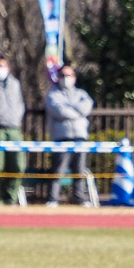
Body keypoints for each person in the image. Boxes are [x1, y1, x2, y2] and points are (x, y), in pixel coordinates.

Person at [45, 64, 94, 207]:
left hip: (80, 136)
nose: (66, 79)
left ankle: (79, 198)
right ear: (58, 78)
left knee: (79, 169)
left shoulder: (81, 94)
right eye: (62, 76)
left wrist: (72, 110)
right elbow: (58, 110)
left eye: (69, 75)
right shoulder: (52, 94)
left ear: (74, 78)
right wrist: (76, 113)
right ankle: (53, 198)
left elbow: (86, 106)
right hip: (61, 136)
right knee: (58, 169)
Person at [0, 56, 26, 206]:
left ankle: (11, 197)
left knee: (17, 165)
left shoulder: (14, 83)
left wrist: (17, 115)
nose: (0, 69)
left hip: (14, 128)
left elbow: (20, 103)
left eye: (3, 66)